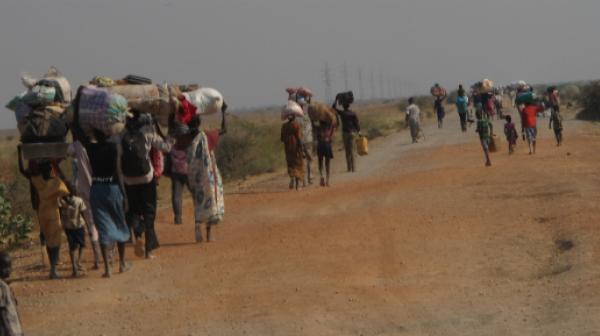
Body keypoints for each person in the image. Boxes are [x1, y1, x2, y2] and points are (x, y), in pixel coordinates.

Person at [120, 111, 172, 259]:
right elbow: (166, 148)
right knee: (149, 212)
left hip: (128, 179)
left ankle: (138, 233)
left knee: (134, 211)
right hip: (146, 177)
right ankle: (148, 250)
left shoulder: (121, 134)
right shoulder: (148, 132)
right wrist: (170, 136)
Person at [86, 129, 132, 278]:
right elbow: (118, 172)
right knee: (119, 223)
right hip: (112, 189)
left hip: (96, 189)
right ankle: (122, 263)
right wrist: (124, 195)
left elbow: (78, 131)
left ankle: (107, 269)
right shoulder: (114, 148)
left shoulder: (91, 148)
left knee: (102, 228)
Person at [17, 153, 69, 279]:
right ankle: (53, 269)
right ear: (49, 169)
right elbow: (66, 190)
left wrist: (20, 154)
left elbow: (23, 171)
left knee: (47, 238)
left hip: (41, 212)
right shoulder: (55, 182)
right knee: (55, 241)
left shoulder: (36, 180)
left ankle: (52, 267)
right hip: (53, 212)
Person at [188, 105, 227, 243]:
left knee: (198, 202)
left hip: (195, 176)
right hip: (209, 175)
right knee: (210, 201)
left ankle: (197, 228)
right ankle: (208, 233)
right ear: (200, 123)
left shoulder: (188, 137)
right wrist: (223, 111)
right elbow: (223, 130)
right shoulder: (207, 135)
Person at [67, 129, 101, 270]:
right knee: (100, 222)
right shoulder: (98, 143)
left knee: (90, 224)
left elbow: (68, 152)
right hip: (100, 188)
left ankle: (97, 258)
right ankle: (104, 256)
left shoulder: (77, 145)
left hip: (84, 191)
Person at [59, 194, 88, 278]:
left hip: (68, 226)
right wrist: (87, 225)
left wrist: (63, 224)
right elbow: (83, 213)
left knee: (72, 247)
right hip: (79, 225)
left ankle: (74, 268)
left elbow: (61, 214)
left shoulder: (61, 201)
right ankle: (79, 262)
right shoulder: (78, 200)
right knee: (82, 244)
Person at [332, 95, 360, 172]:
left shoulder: (342, 113)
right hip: (353, 133)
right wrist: (359, 132)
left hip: (345, 133)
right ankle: (354, 168)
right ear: (349, 106)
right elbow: (357, 124)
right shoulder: (353, 114)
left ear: (343, 106)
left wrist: (336, 100)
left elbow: (333, 108)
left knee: (347, 151)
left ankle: (349, 168)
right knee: (352, 150)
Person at [0, 251, 23, 336]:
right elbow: (1, 312)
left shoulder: (5, 285)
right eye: (5, 267)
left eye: (10, 267)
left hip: (14, 328)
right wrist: (9, 331)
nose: (9, 270)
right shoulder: (2, 287)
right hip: (8, 330)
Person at [281, 114, 304, 190]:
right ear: (294, 117)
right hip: (295, 147)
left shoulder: (284, 126)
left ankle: (292, 178)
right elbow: (299, 138)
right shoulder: (296, 125)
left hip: (287, 148)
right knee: (298, 164)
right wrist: (302, 149)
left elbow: (282, 138)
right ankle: (297, 185)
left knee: (290, 164)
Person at [314, 118, 336, 187]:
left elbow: (314, 128)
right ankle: (327, 180)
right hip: (327, 144)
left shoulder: (318, 127)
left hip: (320, 145)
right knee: (327, 163)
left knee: (320, 162)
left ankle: (321, 177)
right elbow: (334, 124)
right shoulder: (329, 126)